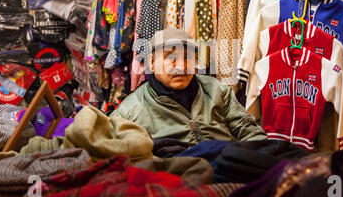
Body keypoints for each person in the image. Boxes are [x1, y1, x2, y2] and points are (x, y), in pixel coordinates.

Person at [111, 28, 267, 145]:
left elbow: (250, 133)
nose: (181, 66)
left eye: (187, 57)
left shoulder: (216, 90)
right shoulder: (130, 111)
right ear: (151, 63)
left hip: (228, 170)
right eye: (170, 57)